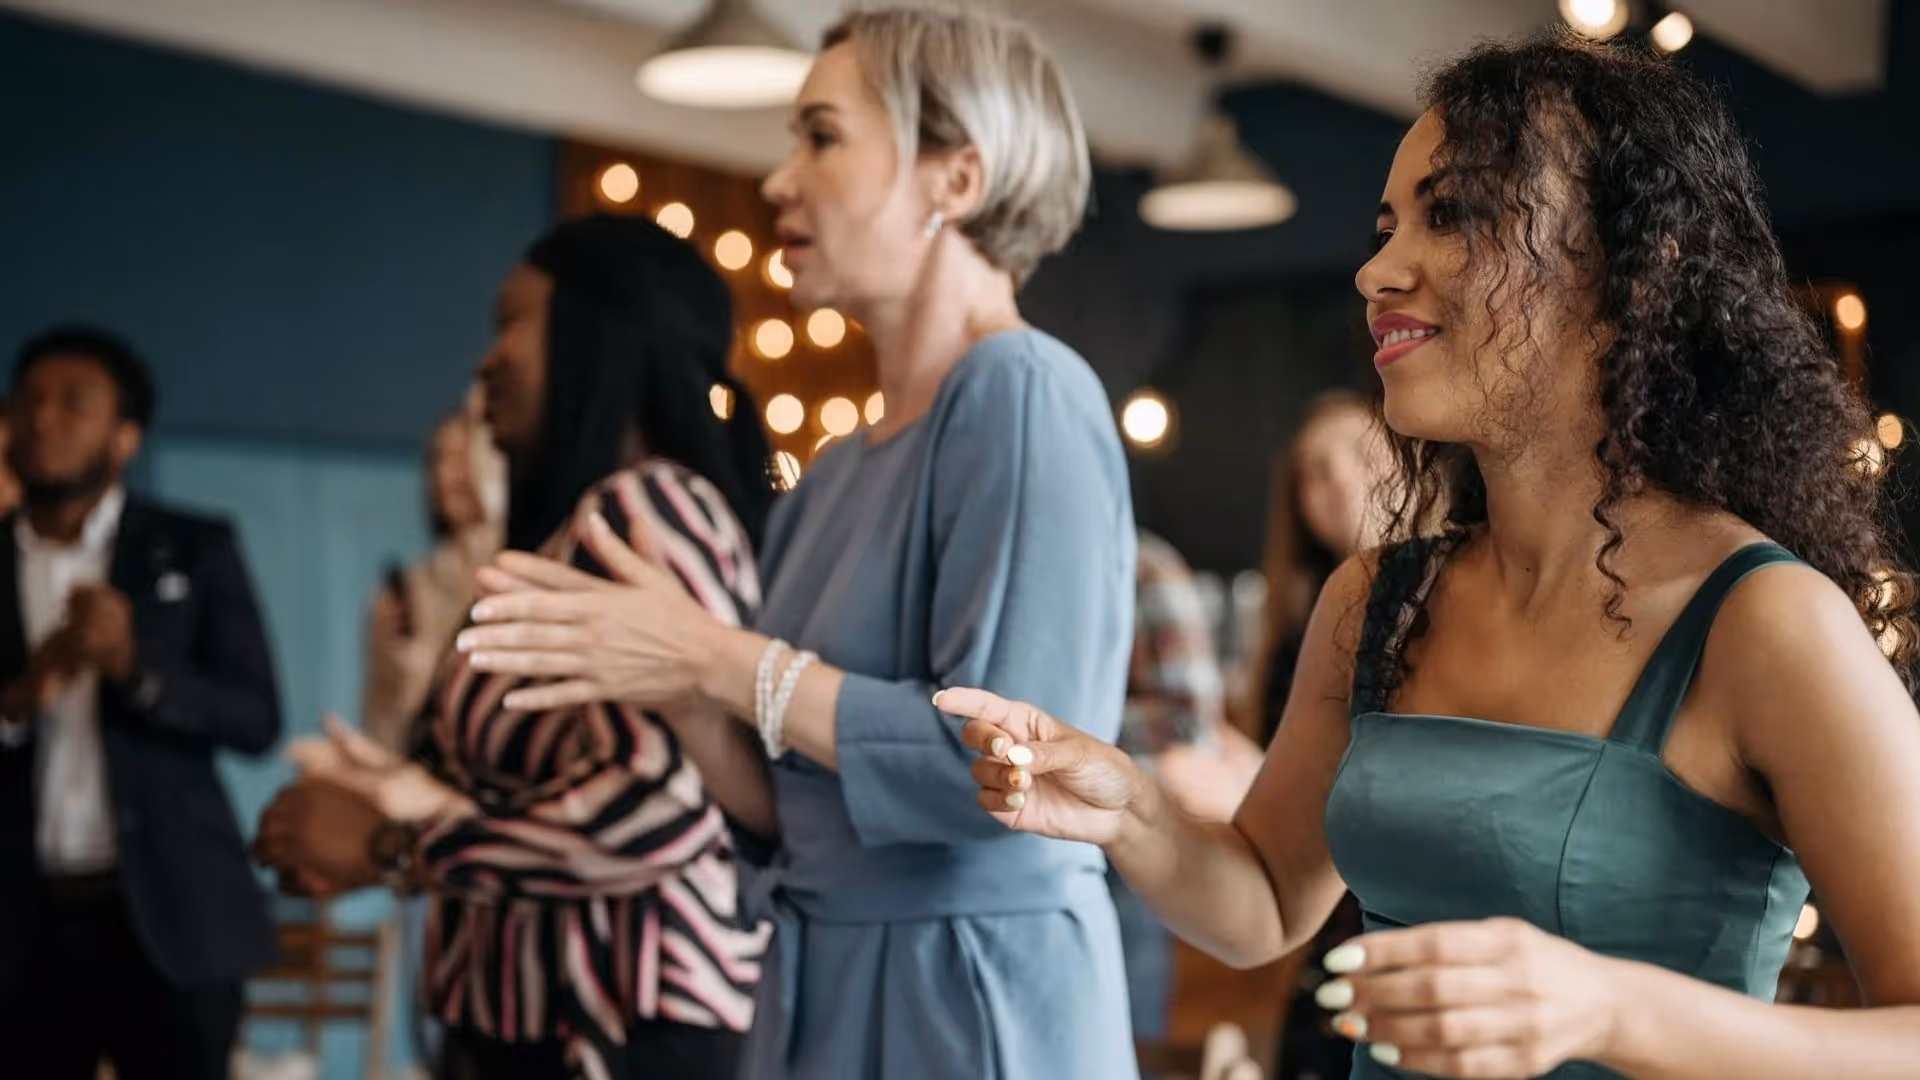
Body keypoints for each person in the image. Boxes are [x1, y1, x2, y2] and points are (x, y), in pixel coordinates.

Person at [947, 33, 1920, 1080]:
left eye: (1453, 214)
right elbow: (1268, 899)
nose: (1375, 270)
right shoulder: (1377, 602)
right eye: (1386, 226)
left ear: (1635, 278)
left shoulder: (1763, 621)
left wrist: (1609, 1010)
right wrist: (1132, 811)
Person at [453, 9, 1138, 1078]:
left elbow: (1012, 769)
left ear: (956, 177)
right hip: (813, 985)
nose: (776, 181)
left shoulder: (1022, 391)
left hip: (968, 994)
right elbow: (794, 805)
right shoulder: (833, 473)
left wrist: (711, 657)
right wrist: (680, 694)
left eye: (820, 137)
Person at [252, 215, 776, 1080]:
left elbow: (659, 804)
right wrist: (386, 793)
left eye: (511, 322)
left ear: (595, 334)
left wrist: (392, 847)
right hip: (527, 1026)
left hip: (616, 1035)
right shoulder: (572, 534)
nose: (484, 361)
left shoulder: (644, 513)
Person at [0, 326, 282, 1080]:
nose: (42, 419)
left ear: (125, 436)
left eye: (73, 403)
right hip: (22, 931)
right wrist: (18, 699)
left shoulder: (195, 547)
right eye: (27, 401)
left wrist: (137, 666)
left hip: (171, 918)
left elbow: (256, 718)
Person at [1115, 529, 1229, 1048]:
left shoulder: (1145, 565)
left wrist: (1069, 725)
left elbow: (1191, 720)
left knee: (1128, 1028)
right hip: (1024, 833)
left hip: (1124, 821)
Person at [360, 396, 505, 753]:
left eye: (462, 457)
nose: (450, 473)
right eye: (439, 459)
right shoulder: (401, 594)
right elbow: (378, 722)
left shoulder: (525, 567)